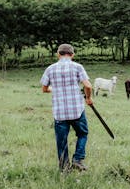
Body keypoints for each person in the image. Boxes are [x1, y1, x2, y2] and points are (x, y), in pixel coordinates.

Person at [40, 43, 93, 172]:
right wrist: (88, 98)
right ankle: (78, 159)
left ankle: (64, 169)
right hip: (77, 111)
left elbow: (44, 89)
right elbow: (88, 85)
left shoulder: (50, 69)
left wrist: (56, 89)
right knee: (82, 133)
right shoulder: (77, 67)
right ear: (72, 55)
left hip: (60, 113)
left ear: (58, 54)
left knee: (61, 141)